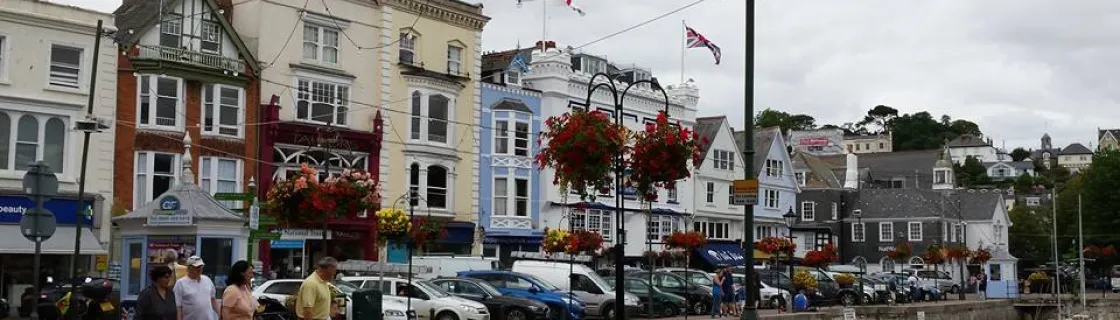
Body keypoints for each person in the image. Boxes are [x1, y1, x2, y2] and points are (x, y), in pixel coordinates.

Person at [174, 256, 219, 320]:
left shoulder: (207, 280)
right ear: (189, 268)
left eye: (201, 267)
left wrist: (220, 314)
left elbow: (213, 300)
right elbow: (178, 307)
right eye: (196, 267)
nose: (199, 269)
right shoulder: (180, 283)